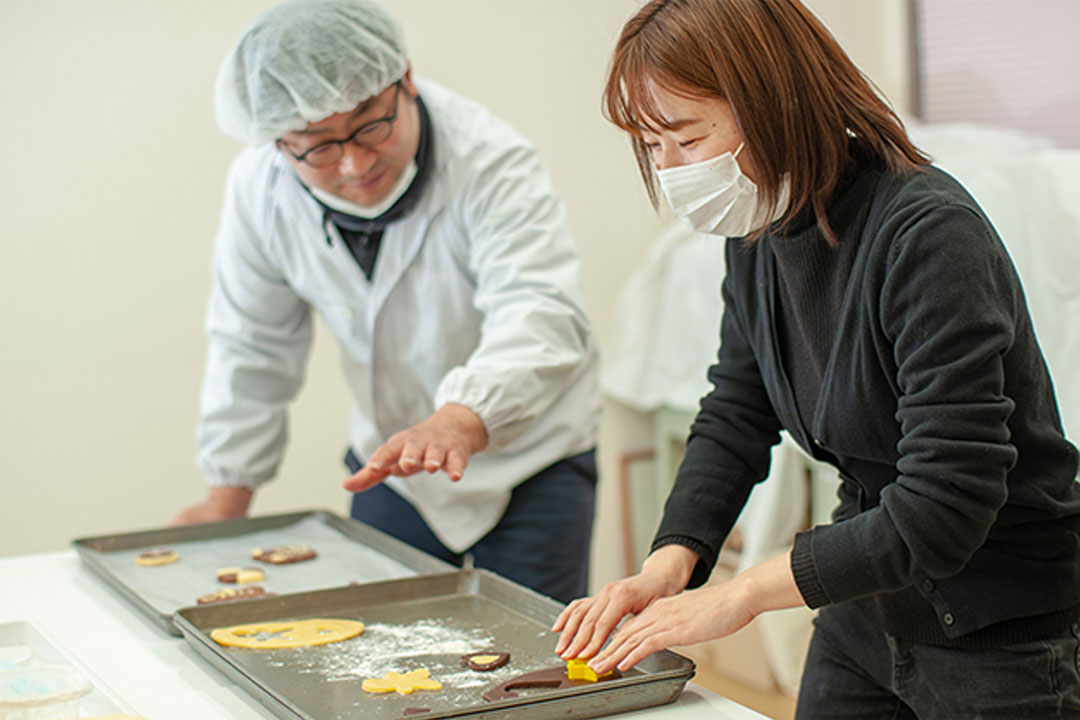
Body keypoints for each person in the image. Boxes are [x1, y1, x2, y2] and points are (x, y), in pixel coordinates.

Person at [553, 0, 1080, 716]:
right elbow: (737, 410)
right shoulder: (757, 232)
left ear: (769, 103)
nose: (671, 172)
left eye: (685, 139)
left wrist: (742, 595)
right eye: (652, 149)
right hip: (867, 601)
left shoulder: (926, 236)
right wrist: (669, 562)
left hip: (999, 626)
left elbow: (945, 504)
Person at [172, 0, 601, 604]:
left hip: (530, 456)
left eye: (370, 125)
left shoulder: (489, 159)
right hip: (392, 459)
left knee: (534, 664)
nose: (353, 162)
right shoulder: (260, 189)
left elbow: (540, 311)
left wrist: (460, 417)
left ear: (404, 78)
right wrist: (228, 497)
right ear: (276, 143)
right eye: (316, 148)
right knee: (383, 648)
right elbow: (252, 342)